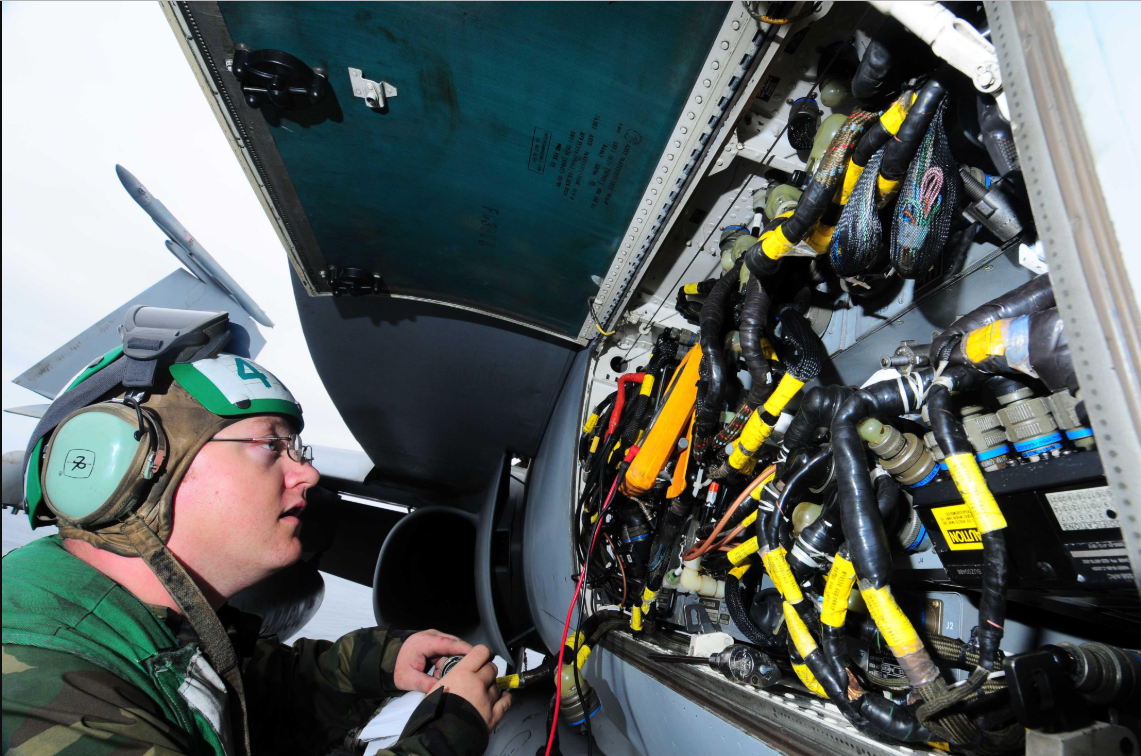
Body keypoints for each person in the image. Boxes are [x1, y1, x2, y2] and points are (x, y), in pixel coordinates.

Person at [2, 313, 509, 756]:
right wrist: (450, 736)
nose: (306, 475)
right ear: (141, 468)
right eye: (271, 445)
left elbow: (265, 693)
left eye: (298, 449)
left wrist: (384, 662)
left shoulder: (157, 628)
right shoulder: (46, 688)